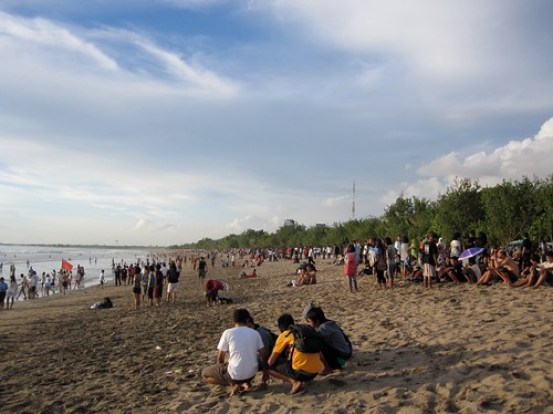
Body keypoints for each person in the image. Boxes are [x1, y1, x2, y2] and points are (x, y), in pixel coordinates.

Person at [202, 309, 267, 396]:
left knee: (205, 374)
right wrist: (264, 374)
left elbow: (220, 358)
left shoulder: (228, 333)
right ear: (248, 320)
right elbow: (264, 354)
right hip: (251, 374)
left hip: (235, 375)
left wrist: (221, 371)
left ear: (234, 321)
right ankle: (244, 383)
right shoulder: (255, 333)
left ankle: (233, 384)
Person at [267, 313, 324, 394]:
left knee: (268, 367)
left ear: (281, 328)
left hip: (300, 373)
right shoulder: (304, 332)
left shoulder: (285, 335)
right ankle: (306, 380)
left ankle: (294, 382)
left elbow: (271, 361)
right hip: (315, 372)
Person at [305, 306, 352, 373]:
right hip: (347, 351)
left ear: (317, 321)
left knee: (316, 343)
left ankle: (327, 368)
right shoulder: (329, 323)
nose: (308, 324)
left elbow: (311, 335)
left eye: (309, 322)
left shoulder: (324, 328)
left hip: (342, 358)